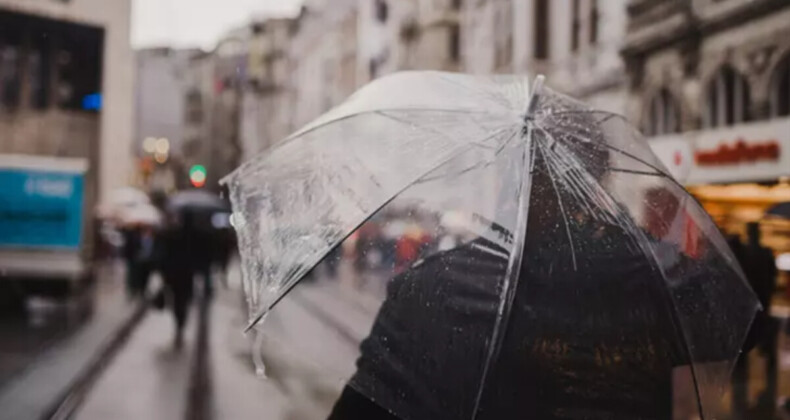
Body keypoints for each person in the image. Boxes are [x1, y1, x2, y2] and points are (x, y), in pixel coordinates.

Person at [328, 133, 749, 419]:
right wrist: (636, 235)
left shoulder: (433, 290)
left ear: (506, 184)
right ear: (596, 182)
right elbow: (737, 323)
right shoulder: (652, 279)